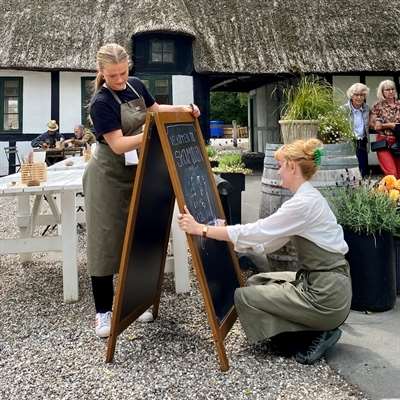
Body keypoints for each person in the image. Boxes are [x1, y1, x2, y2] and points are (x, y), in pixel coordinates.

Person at [177, 138, 352, 365]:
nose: (278, 171)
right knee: (255, 283)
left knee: (244, 297)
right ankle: (315, 327)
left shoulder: (303, 204)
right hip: (326, 286)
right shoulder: (307, 198)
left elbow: (259, 231)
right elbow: (268, 243)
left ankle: (314, 334)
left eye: (280, 165)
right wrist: (227, 235)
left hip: (325, 297)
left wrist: (201, 229)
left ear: (292, 166)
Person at [83, 43, 200, 338]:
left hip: (136, 171)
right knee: (106, 241)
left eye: (123, 73)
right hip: (107, 177)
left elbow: (156, 110)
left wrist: (185, 109)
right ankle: (103, 313)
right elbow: (119, 144)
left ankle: (134, 302)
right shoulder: (101, 102)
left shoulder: (135, 86)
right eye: (113, 76)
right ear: (101, 73)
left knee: (136, 236)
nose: (120, 80)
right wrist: (150, 131)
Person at [370, 80, 400, 178]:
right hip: (383, 142)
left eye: (392, 89)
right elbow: (372, 124)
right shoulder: (377, 106)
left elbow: (387, 126)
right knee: (392, 173)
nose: (391, 92)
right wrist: (379, 122)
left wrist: (387, 125)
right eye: (387, 90)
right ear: (382, 92)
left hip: (398, 141)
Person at [343, 83, 370, 178]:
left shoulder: (366, 108)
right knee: (349, 171)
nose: (359, 97)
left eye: (362, 95)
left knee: (363, 171)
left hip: (362, 142)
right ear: (351, 95)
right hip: (349, 142)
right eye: (356, 95)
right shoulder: (344, 109)